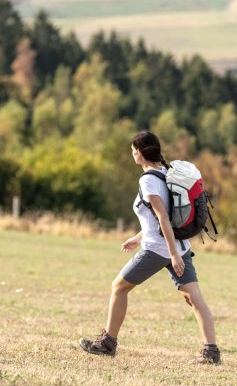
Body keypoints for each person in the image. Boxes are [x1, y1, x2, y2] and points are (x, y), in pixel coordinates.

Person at [79, 131, 220, 364]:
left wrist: (173, 255)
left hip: (160, 250)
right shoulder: (166, 174)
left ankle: (107, 343)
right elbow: (161, 218)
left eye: (134, 149)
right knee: (194, 298)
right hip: (178, 245)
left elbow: (163, 217)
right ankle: (211, 351)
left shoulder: (147, 180)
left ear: (141, 153)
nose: (132, 153)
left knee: (118, 287)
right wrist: (138, 237)